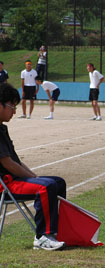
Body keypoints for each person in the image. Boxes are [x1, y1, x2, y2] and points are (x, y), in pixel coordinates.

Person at [0, 83, 66, 250]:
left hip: (14, 179)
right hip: (5, 184)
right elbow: (8, 164)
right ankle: (43, 236)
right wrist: (34, 179)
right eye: (11, 106)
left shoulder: (2, 129)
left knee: (58, 182)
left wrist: (34, 176)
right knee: (46, 187)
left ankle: (58, 231)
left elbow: (16, 160)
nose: (14, 111)